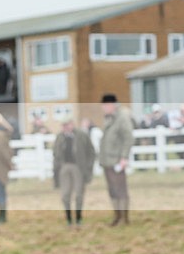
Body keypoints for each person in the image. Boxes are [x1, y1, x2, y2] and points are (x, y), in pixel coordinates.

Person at [52, 116, 96, 226]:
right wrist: (58, 167)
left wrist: (87, 167)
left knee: (79, 194)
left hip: (78, 168)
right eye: (63, 125)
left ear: (72, 124)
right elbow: (55, 153)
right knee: (65, 195)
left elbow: (91, 152)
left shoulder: (81, 135)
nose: (65, 127)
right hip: (64, 167)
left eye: (67, 125)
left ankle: (78, 218)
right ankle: (68, 218)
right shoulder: (60, 137)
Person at [99, 94, 134, 226]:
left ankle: (124, 218)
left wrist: (124, 157)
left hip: (117, 161)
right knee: (112, 190)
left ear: (111, 105)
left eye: (105, 105)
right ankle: (117, 216)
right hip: (108, 161)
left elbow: (128, 138)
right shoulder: (109, 118)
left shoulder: (121, 118)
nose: (103, 108)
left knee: (120, 190)